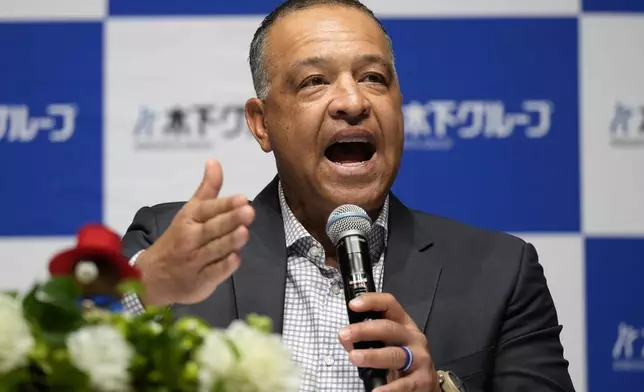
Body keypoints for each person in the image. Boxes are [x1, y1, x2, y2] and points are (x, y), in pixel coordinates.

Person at [120, 1, 576, 391]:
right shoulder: (176, 246)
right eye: (314, 81)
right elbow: (69, 362)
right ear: (262, 123)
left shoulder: (500, 272)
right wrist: (147, 288)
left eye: (374, 78)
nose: (353, 101)